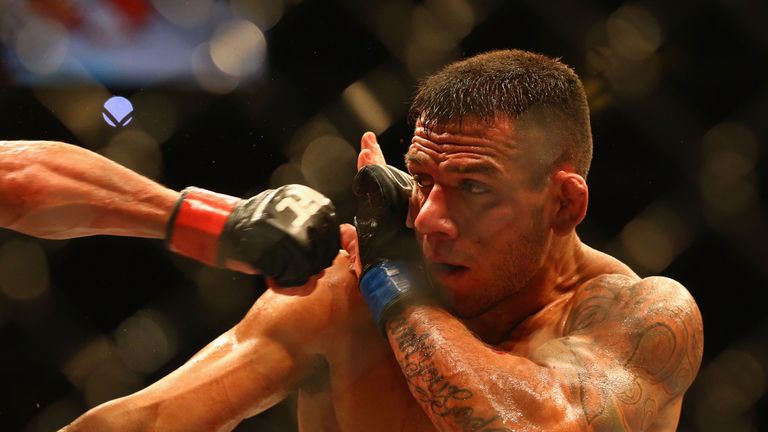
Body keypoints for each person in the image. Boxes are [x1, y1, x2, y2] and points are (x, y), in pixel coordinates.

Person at [3, 48, 703, 431]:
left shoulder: (637, 320)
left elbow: (541, 427)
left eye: (474, 188)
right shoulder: (344, 301)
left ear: (563, 203)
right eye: (422, 180)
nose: (429, 218)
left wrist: (393, 288)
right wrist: (218, 227)